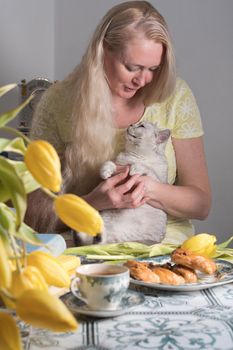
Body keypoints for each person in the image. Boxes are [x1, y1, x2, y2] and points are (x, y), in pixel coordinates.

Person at [25, 0, 211, 246]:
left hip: (163, 245)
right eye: (132, 67)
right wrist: (94, 201)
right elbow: (32, 215)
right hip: (89, 241)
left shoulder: (175, 97)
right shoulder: (59, 104)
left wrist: (150, 189)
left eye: (153, 69)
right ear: (102, 51)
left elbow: (201, 204)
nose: (143, 80)